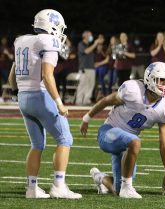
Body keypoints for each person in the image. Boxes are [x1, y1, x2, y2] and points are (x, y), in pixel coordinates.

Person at [8, 9, 81, 199]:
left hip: (24, 98)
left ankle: (32, 189)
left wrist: (21, 94)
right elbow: (47, 76)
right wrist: (59, 103)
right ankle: (58, 185)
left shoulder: (21, 41)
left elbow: (11, 79)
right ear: (53, 25)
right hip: (40, 96)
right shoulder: (48, 41)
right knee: (65, 139)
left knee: (37, 144)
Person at [80, 62, 165, 198]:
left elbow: (164, 143)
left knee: (117, 189)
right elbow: (107, 100)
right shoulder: (133, 90)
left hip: (127, 146)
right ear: (150, 78)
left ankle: (100, 178)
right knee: (135, 142)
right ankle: (127, 187)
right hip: (109, 132)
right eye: (161, 80)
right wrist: (87, 118)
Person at [75, 30, 100, 105]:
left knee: (90, 85)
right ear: (85, 36)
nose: (91, 37)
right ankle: (79, 101)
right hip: (84, 68)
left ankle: (87, 100)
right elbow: (86, 51)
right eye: (90, 35)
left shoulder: (89, 45)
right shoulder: (81, 44)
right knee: (82, 84)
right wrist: (95, 44)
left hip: (91, 68)